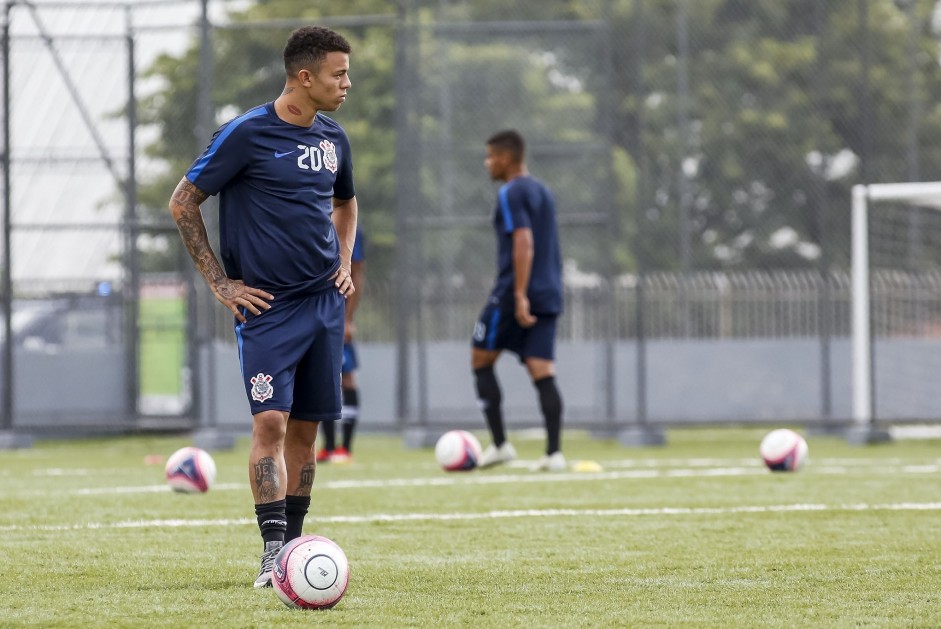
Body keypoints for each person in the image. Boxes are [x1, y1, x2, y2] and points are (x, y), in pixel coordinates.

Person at [168, 26, 358, 588]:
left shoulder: (334, 139)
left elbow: (347, 203)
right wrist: (221, 284)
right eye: (338, 73)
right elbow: (183, 202)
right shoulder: (246, 135)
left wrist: (344, 259)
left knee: (306, 430)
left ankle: (296, 550)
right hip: (268, 308)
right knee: (270, 420)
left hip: (324, 302)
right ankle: (273, 554)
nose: (347, 83)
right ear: (305, 77)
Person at [471, 130, 566, 472]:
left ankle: (500, 445)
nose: (488, 163)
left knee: (480, 357)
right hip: (550, 291)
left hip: (516, 291)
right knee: (542, 369)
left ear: (506, 158)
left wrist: (519, 294)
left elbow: (524, 241)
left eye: (491, 156)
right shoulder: (543, 191)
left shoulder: (511, 192)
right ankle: (554, 454)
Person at [316, 226, 365, 464]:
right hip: (311, 309)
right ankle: (328, 447)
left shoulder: (350, 225)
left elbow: (357, 272)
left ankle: (345, 447)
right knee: (320, 376)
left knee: (346, 378)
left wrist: (347, 318)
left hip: (336, 314)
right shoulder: (308, 215)